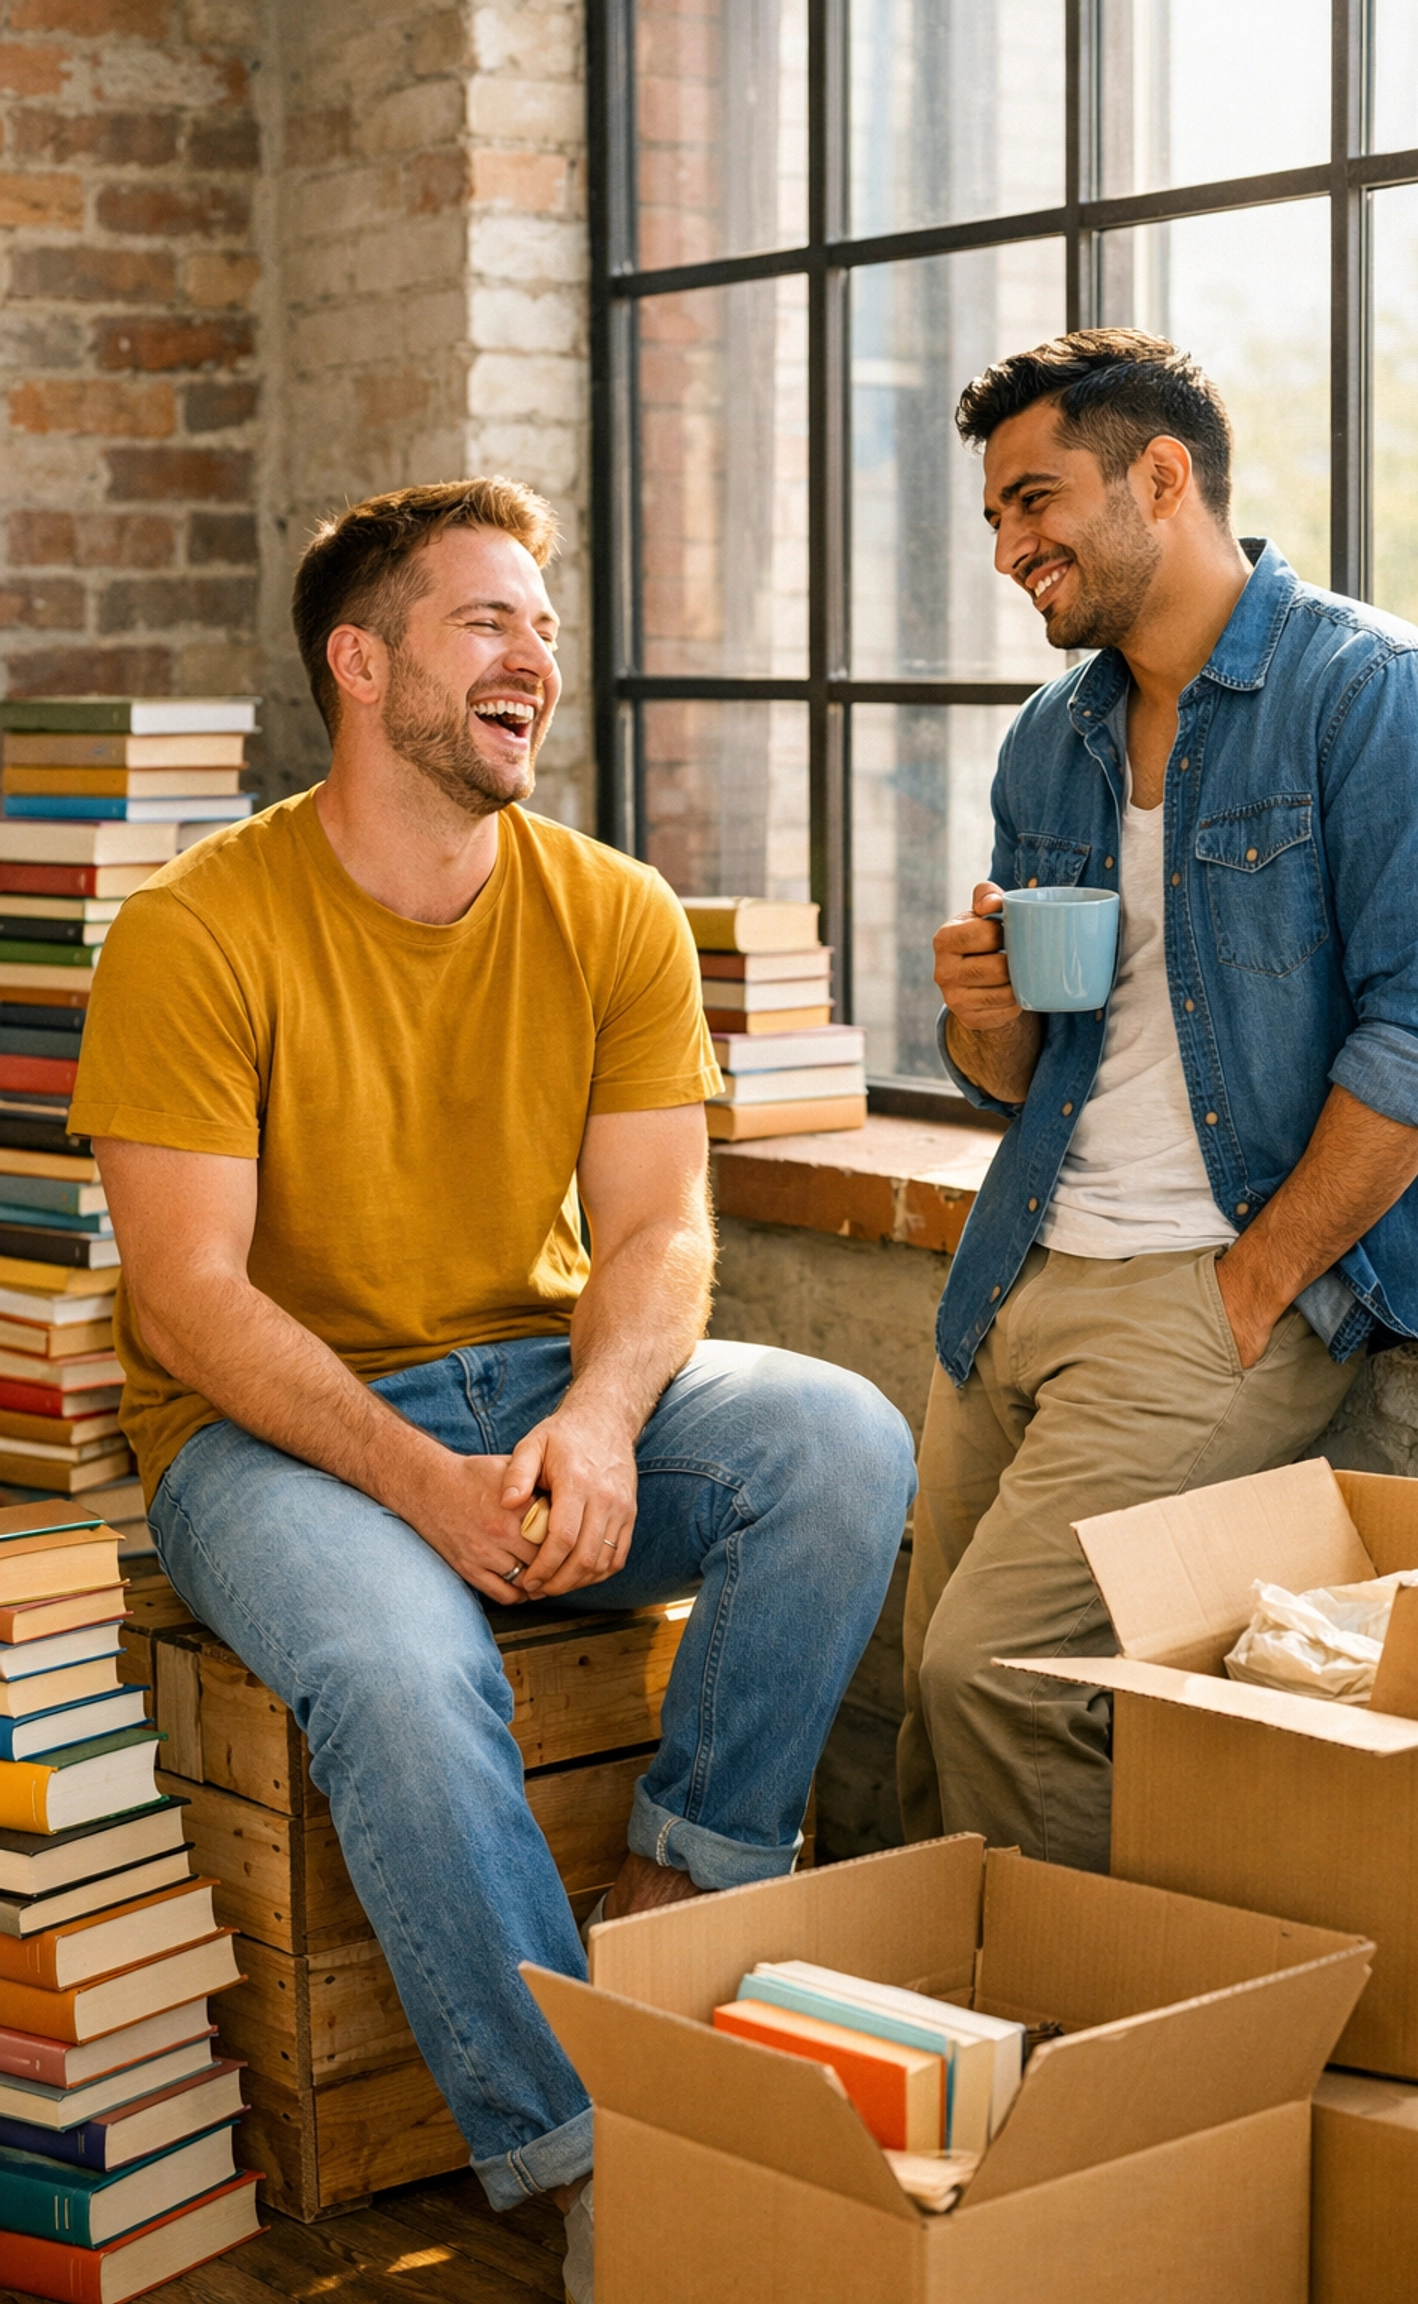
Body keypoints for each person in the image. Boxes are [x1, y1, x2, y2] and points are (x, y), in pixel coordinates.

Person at [70, 478, 915, 2301]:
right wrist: (420, 1486)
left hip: (537, 1377)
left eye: (544, 622)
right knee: (395, 1664)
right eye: (487, 621)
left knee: (839, 1438)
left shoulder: (607, 911)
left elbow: (663, 1227)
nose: (537, 652)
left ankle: (679, 1897)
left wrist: (600, 1417)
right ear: (363, 668)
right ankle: (597, 2155)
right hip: (266, 1433)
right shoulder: (194, 931)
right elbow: (193, 1305)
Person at [899, 328, 1418, 1872]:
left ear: (1160, 478)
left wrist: (1261, 1285)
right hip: (1017, 1278)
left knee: (996, 1678)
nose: (1008, 548)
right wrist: (981, 1019)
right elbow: (1030, 1076)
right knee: (924, 1702)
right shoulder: (1056, 738)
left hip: (1211, 1292)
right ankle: (939, 2064)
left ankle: (1121, 2066)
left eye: (1035, 501)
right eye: (992, 518)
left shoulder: (1376, 695)